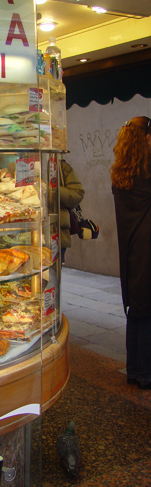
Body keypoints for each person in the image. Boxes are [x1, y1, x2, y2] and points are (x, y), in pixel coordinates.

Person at [111, 116, 151, 389]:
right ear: (144, 138)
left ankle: (134, 369)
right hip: (147, 248)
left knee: (135, 309)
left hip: (130, 249)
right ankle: (146, 373)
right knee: (147, 311)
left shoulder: (121, 173)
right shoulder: (147, 173)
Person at [59, 158, 85, 263]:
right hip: (25, 234)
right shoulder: (19, 162)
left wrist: (53, 189)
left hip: (56, 231)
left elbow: (77, 194)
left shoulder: (62, 167)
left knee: (51, 275)